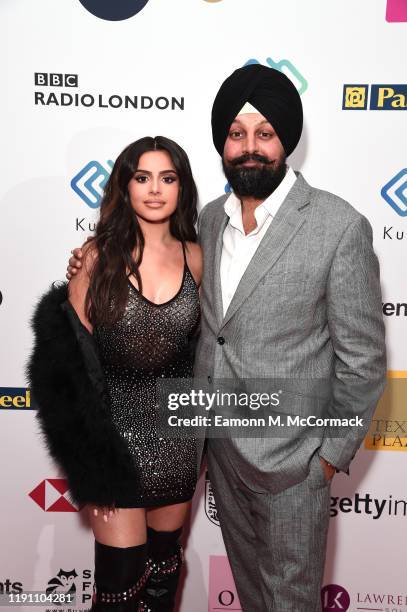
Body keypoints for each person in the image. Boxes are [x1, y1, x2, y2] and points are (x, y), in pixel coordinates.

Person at [67, 64, 387, 611]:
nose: (250, 147)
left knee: (289, 603)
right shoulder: (206, 223)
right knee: (249, 597)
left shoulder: (338, 226)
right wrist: (90, 255)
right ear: (222, 143)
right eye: (236, 134)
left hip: (293, 466)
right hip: (215, 456)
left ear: (287, 139)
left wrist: (326, 460)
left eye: (264, 133)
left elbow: (363, 362)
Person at [28, 136, 203, 612]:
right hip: (114, 445)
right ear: (124, 186)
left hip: (178, 439)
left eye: (167, 178)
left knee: (164, 577)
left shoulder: (197, 258)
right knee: (120, 584)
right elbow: (69, 367)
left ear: (181, 188)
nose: (154, 190)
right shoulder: (97, 257)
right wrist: (91, 462)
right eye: (141, 177)